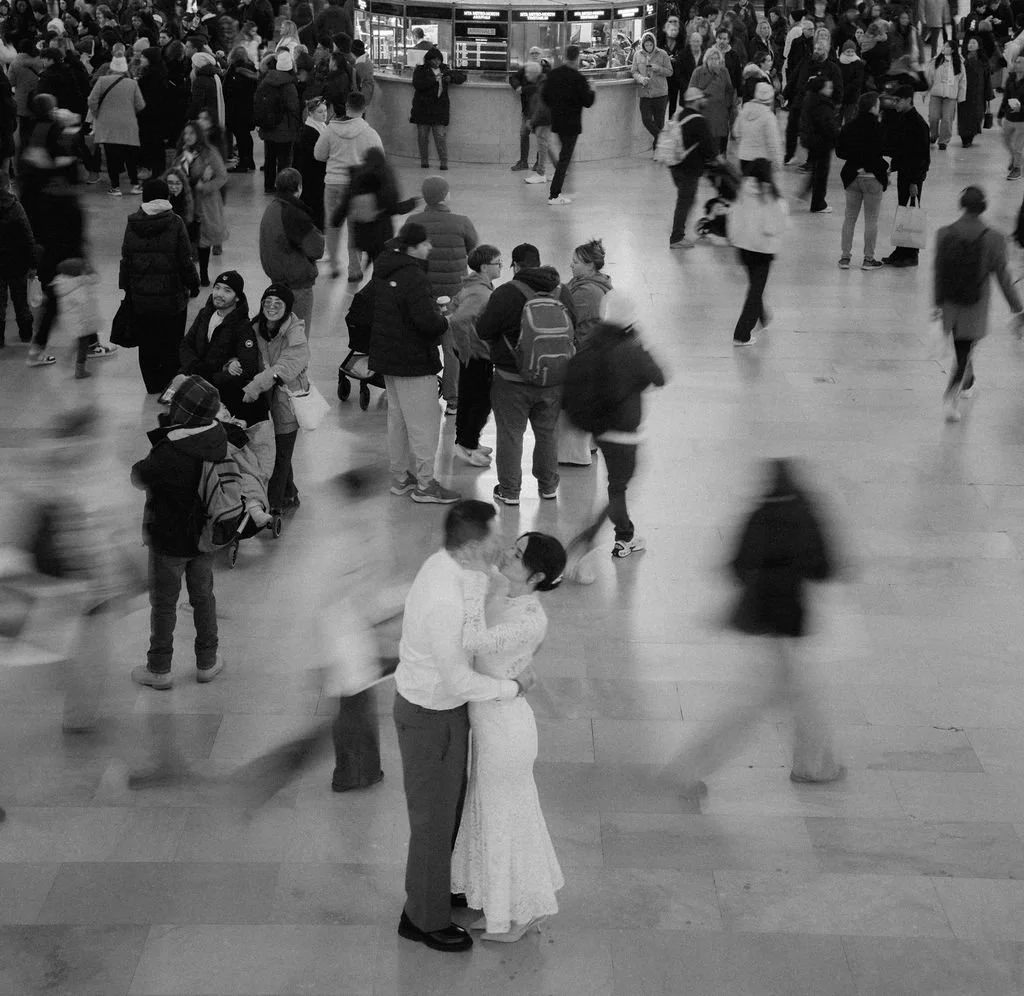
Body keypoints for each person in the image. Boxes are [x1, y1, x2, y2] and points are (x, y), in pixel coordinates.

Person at [393, 499, 537, 954]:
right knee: (433, 820)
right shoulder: (445, 599)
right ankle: (423, 918)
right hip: (431, 716)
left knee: (448, 809)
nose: (504, 543)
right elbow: (457, 678)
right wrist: (512, 689)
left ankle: (435, 888)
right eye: (496, 536)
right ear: (474, 545)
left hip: (444, 711)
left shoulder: (455, 565)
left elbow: (494, 585)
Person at [667, 458, 845, 798]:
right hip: (791, 625)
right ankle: (685, 774)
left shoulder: (758, 514)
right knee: (751, 709)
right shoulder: (807, 514)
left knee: (798, 701)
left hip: (764, 624)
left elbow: (735, 567)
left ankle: (816, 766)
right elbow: (825, 568)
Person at [451, 531, 567, 942]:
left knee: (505, 824)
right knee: (494, 819)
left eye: (516, 555)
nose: (507, 554)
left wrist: (467, 591)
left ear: (534, 576)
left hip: (505, 732)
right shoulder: (509, 594)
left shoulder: (531, 618)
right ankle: (503, 908)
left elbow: (473, 640)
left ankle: (520, 915)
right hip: (491, 723)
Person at [130, 375, 227, 690]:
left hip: (168, 542)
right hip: (204, 539)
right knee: (203, 598)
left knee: (164, 604)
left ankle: (159, 668)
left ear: (181, 413)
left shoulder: (168, 451)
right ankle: (207, 662)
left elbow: (139, 476)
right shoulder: (217, 438)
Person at [475, 242, 577, 506]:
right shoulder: (561, 292)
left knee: (510, 435)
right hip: (552, 379)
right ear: (540, 263)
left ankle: (509, 492)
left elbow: (484, 331)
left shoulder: (506, 293)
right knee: (547, 433)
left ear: (516, 265)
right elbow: (573, 329)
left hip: (511, 380)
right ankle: (548, 487)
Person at [369, 221, 458, 505]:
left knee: (398, 420)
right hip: (414, 360)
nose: (430, 247)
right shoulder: (413, 276)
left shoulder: (385, 269)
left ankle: (400, 477)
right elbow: (426, 322)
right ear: (412, 247)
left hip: (388, 357)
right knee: (424, 423)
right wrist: (445, 318)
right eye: (425, 244)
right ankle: (426, 484)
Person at [934, 186, 1024, 421]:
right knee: (964, 351)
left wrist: (936, 303)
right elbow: (1003, 278)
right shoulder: (993, 238)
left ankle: (968, 382)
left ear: (961, 204)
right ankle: (951, 396)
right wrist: (1018, 307)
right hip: (974, 307)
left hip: (949, 304)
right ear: (983, 207)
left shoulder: (944, 233)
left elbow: (938, 272)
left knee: (962, 347)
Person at [119, 178, 200, 394]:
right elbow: (185, 259)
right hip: (172, 297)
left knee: (147, 343)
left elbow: (126, 258)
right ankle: (170, 385)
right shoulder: (175, 222)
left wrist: (127, 288)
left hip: (141, 299)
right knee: (172, 342)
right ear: (167, 196)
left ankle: (152, 385)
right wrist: (194, 284)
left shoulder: (133, 222)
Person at [407, 175, 479, 417]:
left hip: (422, 294)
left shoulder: (413, 222)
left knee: (420, 344)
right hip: (454, 296)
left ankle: (420, 395)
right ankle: (453, 400)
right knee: (452, 348)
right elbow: (474, 253)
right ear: (446, 196)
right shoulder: (461, 222)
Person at [242, 283, 309, 511]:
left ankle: (274, 506)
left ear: (288, 308)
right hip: (264, 398)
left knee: (280, 454)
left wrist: (255, 386)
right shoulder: (254, 327)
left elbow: (287, 367)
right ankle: (290, 493)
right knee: (278, 452)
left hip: (286, 401)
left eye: (277, 304)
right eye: (267, 303)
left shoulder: (295, 333)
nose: (271, 307)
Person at [315, 90, 383, 280]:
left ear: (346, 106)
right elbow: (380, 161)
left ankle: (334, 265)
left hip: (333, 183)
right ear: (364, 109)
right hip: (357, 187)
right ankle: (354, 269)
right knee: (355, 227)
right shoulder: (370, 134)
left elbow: (318, 154)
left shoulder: (330, 129)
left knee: (333, 225)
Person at [558, 238, 612, 467]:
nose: (571, 265)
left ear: (590, 266)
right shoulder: (593, 284)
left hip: (582, 351)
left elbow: (569, 317)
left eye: (576, 262)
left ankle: (573, 455)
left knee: (574, 403)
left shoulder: (586, 291)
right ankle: (586, 447)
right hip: (591, 351)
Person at [449, 243, 500, 468]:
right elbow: (459, 319)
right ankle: (467, 444)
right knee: (481, 401)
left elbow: (453, 309)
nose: (501, 267)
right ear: (484, 267)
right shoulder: (480, 292)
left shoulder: (472, 286)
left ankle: (466, 440)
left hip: (471, 353)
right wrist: (466, 348)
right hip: (477, 354)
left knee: (469, 398)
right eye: (497, 264)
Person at [258, 167, 325, 335]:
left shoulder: (271, 208)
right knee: (297, 338)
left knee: (279, 337)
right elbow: (317, 248)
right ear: (299, 188)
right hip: (297, 286)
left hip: (277, 282)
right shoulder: (294, 214)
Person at [728, 169, 786, 346]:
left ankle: (764, 317)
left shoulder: (742, 191)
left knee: (755, 284)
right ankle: (742, 333)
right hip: (762, 249)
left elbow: (733, 218)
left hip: (743, 248)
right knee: (756, 289)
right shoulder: (771, 196)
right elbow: (776, 224)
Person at [340, 147, 418, 273]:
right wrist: (411, 204)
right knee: (381, 264)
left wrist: (336, 220)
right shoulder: (385, 180)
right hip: (382, 234)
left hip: (362, 234)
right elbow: (393, 208)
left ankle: (357, 270)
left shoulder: (358, 178)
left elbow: (345, 204)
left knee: (371, 254)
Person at [836, 91, 889, 270]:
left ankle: (845, 257)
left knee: (849, 218)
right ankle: (868, 259)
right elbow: (884, 149)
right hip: (873, 177)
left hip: (852, 176)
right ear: (873, 107)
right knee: (871, 219)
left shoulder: (849, 126)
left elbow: (840, 151)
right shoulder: (879, 127)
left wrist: (856, 161)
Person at [173, 120, 228, 286]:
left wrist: (204, 186)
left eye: (192, 133)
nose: (188, 137)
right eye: (186, 133)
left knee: (203, 239)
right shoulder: (181, 154)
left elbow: (222, 177)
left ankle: (203, 274)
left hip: (204, 202)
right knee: (187, 238)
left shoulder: (209, 153)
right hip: (185, 202)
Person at [541, 45, 595, 206]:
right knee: (565, 159)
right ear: (577, 58)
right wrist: (592, 90)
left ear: (565, 57)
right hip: (572, 125)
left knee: (564, 158)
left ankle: (559, 188)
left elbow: (545, 97)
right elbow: (588, 102)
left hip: (558, 122)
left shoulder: (554, 75)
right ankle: (554, 194)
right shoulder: (579, 78)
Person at [882, 85, 930, 266]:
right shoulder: (902, 119)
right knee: (903, 211)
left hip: (913, 177)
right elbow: (899, 148)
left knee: (910, 213)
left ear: (908, 100)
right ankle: (901, 250)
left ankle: (911, 253)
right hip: (904, 173)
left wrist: (916, 181)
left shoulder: (918, 124)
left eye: (897, 100)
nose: (894, 104)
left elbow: (922, 156)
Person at [87, 47, 146, 196]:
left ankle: (115, 187)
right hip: (128, 124)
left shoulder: (102, 81)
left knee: (112, 156)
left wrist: (97, 113)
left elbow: (91, 100)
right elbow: (141, 105)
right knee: (130, 156)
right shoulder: (132, 84)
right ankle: (134, 185)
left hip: (107, 124)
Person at [668, 87, 717, 249]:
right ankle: (677, 237)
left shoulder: (678, 115)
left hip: (675, 165)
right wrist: (716, 159)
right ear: (695, 101)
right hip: (689, 168)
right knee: (684, 201)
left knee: (687, 199)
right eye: (702, 98)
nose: (705, 101)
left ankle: (679, 229)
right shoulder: (699, 121)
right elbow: (709, 148)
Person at [411, 47, 467, 171]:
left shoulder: (445, 69)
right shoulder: (420, 70)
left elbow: (461, 77)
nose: (437, 62)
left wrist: (450, 79)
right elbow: (418, 84)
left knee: (440, 136)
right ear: (428, 60)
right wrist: (434, 80)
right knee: (422, 136)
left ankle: (443, 162)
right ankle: (424, 161)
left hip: (439, 109)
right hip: (423, 108)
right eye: (434, 60)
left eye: (438, 60)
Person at [254, 50, 301, 193]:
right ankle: (283, 186)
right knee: (284, 160)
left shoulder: (266, 80)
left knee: (269, 158)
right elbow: (294, 107)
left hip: (268, 126)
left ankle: (268, 186)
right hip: (285, 128)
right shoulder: (289, 85)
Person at [0, 171, 37, 348]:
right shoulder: (15, 207)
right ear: (7, 186)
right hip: (17, 263)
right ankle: (26, 334)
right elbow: (27, 236)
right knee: (21, 301)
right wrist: (32, 263)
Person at [799, 75, 839, 213]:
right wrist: (836, 135)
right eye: (828, 87)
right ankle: (818, 203)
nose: (831, 90)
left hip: (812, 141)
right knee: (821, 173)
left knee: (816, 171)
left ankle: (805, 193)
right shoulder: (822, 104)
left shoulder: (810, 99)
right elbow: (826, 125)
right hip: (822, 142)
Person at [508, 46, 550, 171]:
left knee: (541, 138)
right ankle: (523, 161)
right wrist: (517, 87)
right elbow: (513, 78)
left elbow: (537, 88)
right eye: (532, 53)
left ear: (541, 55)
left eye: (537, 53)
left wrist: (524, 89)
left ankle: (539, 163)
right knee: (524, 133)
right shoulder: (526, 68)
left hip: (541, 110)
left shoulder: (546, 70)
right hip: (527, 108)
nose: (535, 55)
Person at [633, 31, 673, 150]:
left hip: (660, 93)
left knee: (659, 122)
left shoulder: (663, 54)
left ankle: (657, 150)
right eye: (646, 45)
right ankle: (663, 138)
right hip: (645, 93)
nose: (648, 47)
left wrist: (659, 69)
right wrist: (640, 79)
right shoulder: (637, 55)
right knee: (646, 119)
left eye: (651, 45)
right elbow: (634, 71)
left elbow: (670, 72)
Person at [136, 47, 172, 179]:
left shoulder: (152, 76)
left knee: (151, 144)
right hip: (158, 117)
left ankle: (152, 172)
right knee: (157, 146)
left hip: (149, 117)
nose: (141, 59)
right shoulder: (160, 73)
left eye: (144, 57)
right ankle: (158, 171)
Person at [736, 80, 784, 179]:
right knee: (763, 191)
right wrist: (778, 161)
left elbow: (736, 132)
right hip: (762, 161)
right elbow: (773, 141)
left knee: (748, 189)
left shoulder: (744, 110)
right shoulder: (768, 116)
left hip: (744, 158)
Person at [691, 47, 734, 154]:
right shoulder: (698, 72)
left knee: (718, 143)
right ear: (706, 60)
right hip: (703, 112)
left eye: (716, 59)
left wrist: (727, 105)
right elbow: (691, 91)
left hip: (719, 112)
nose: (714, 61)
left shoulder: (724, 72)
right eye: (711, 58)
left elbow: (729, 90)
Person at [294, 95, 328, 228]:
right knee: (313, 200)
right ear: (310, 113)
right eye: (320, 112)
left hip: (316, 172)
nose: (324, 114)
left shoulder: (320, 127)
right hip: (311, 173)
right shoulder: (309, 132)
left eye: (325, 111)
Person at [223, 45, 259, 173]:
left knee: (240, 137)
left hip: (237, 110)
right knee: (246, 136)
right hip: (248, 109)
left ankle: (243, 163)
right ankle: (250, 161)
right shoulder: (251, 68)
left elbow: (228, 90)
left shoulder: (234, 70)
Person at [927, 41, 966, 150]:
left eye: (948, 47)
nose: (945, 48)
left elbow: (963, 81)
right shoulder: (936, 61)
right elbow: (929, 77)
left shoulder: (959, 64)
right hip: (936, 94)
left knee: (947, 119)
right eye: (944, 46)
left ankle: (943, 141)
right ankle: (933, 135)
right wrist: (925, 91)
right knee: (933, 117)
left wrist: (961, 97)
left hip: (951, 96)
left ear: (953, 49)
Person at [959, 36, 992, 148]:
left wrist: (988, 94)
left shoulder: (983, 60)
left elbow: (987, 78)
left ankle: (970, 135)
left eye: (974, 43)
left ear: (978, 46)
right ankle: (964, 137)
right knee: (964, 116)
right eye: (969, 43)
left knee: (977, 115)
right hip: (964, 92)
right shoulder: (962, 59)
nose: (971, 45)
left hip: (979, 92)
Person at [999, 53, 1024, 179]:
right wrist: (1000, 114)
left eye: (1020, 62)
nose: (1017, 64)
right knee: (1006, 140)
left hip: (1022, 120)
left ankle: (1017, 168)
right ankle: (1015, 158)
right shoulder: (1011, 78)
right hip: (1010, 117)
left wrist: (1021, 108)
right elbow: (1005, 97)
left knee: (1018, 145)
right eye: (1016, 62)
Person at [658, 14, 686, 116]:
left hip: (675, 79)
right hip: (662, 78)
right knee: (662, 103)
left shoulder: (681, 46)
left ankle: (670, 123)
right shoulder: (660, 44)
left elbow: (683, 62)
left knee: (673, 104)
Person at [837, 40, 864, 125]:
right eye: (848, 51)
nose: (850, 53)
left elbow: (858, 80)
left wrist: (847, 89)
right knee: (837, 120)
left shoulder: (858, 63)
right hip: (840, 96)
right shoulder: (839, 62)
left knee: (850, 120)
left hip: (852, 96)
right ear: (844, 51)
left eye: (852, 51)